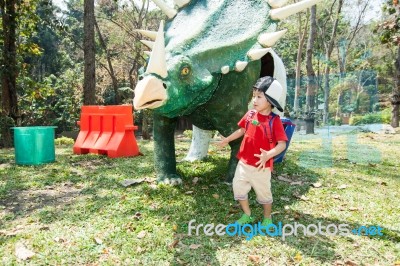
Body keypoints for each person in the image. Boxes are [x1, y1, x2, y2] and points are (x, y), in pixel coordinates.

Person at [216, 76, 288, 226]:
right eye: (253, 96)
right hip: (243, 162)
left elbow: (282, 144)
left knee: (264, 194)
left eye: (259, 97)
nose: (254, 100)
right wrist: (227, 139)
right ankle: (247, 214)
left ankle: (267, 218)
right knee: (238, 189)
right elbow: (242, 130)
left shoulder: (274, 121)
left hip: (261, 167)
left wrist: (269, 154)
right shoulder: (250, 115)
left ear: (270, 100)